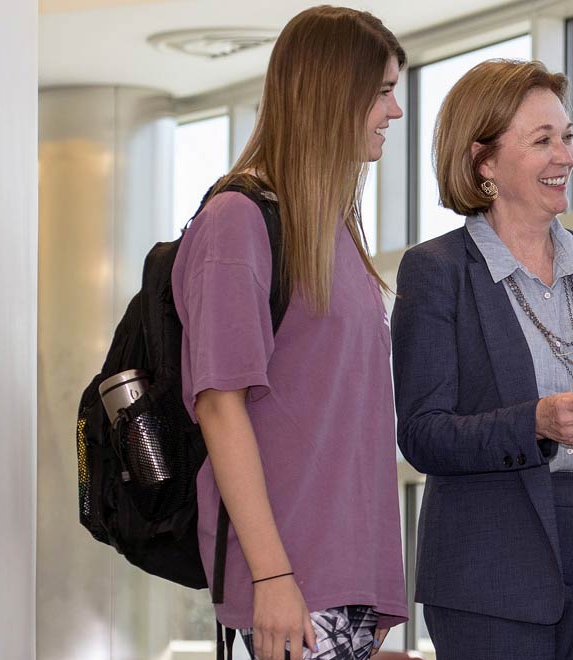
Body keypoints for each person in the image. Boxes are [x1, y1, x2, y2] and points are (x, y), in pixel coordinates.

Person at [390, 58, 573, 660]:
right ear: (485, 161)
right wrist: (536, 423)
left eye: (568, 137)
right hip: (490, 567)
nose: (566, 156)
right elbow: (421, 434)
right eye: (543, 141)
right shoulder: (437, 271)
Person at [173, 6, 409, 660]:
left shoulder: (334, 233)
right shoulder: (237, 222)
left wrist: (376, 579)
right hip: (290, 584)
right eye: (383, 91)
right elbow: (220, 406)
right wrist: (273, 577)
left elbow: (349, 419)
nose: (395, 111)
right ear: (335, 92)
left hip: (344, 584)